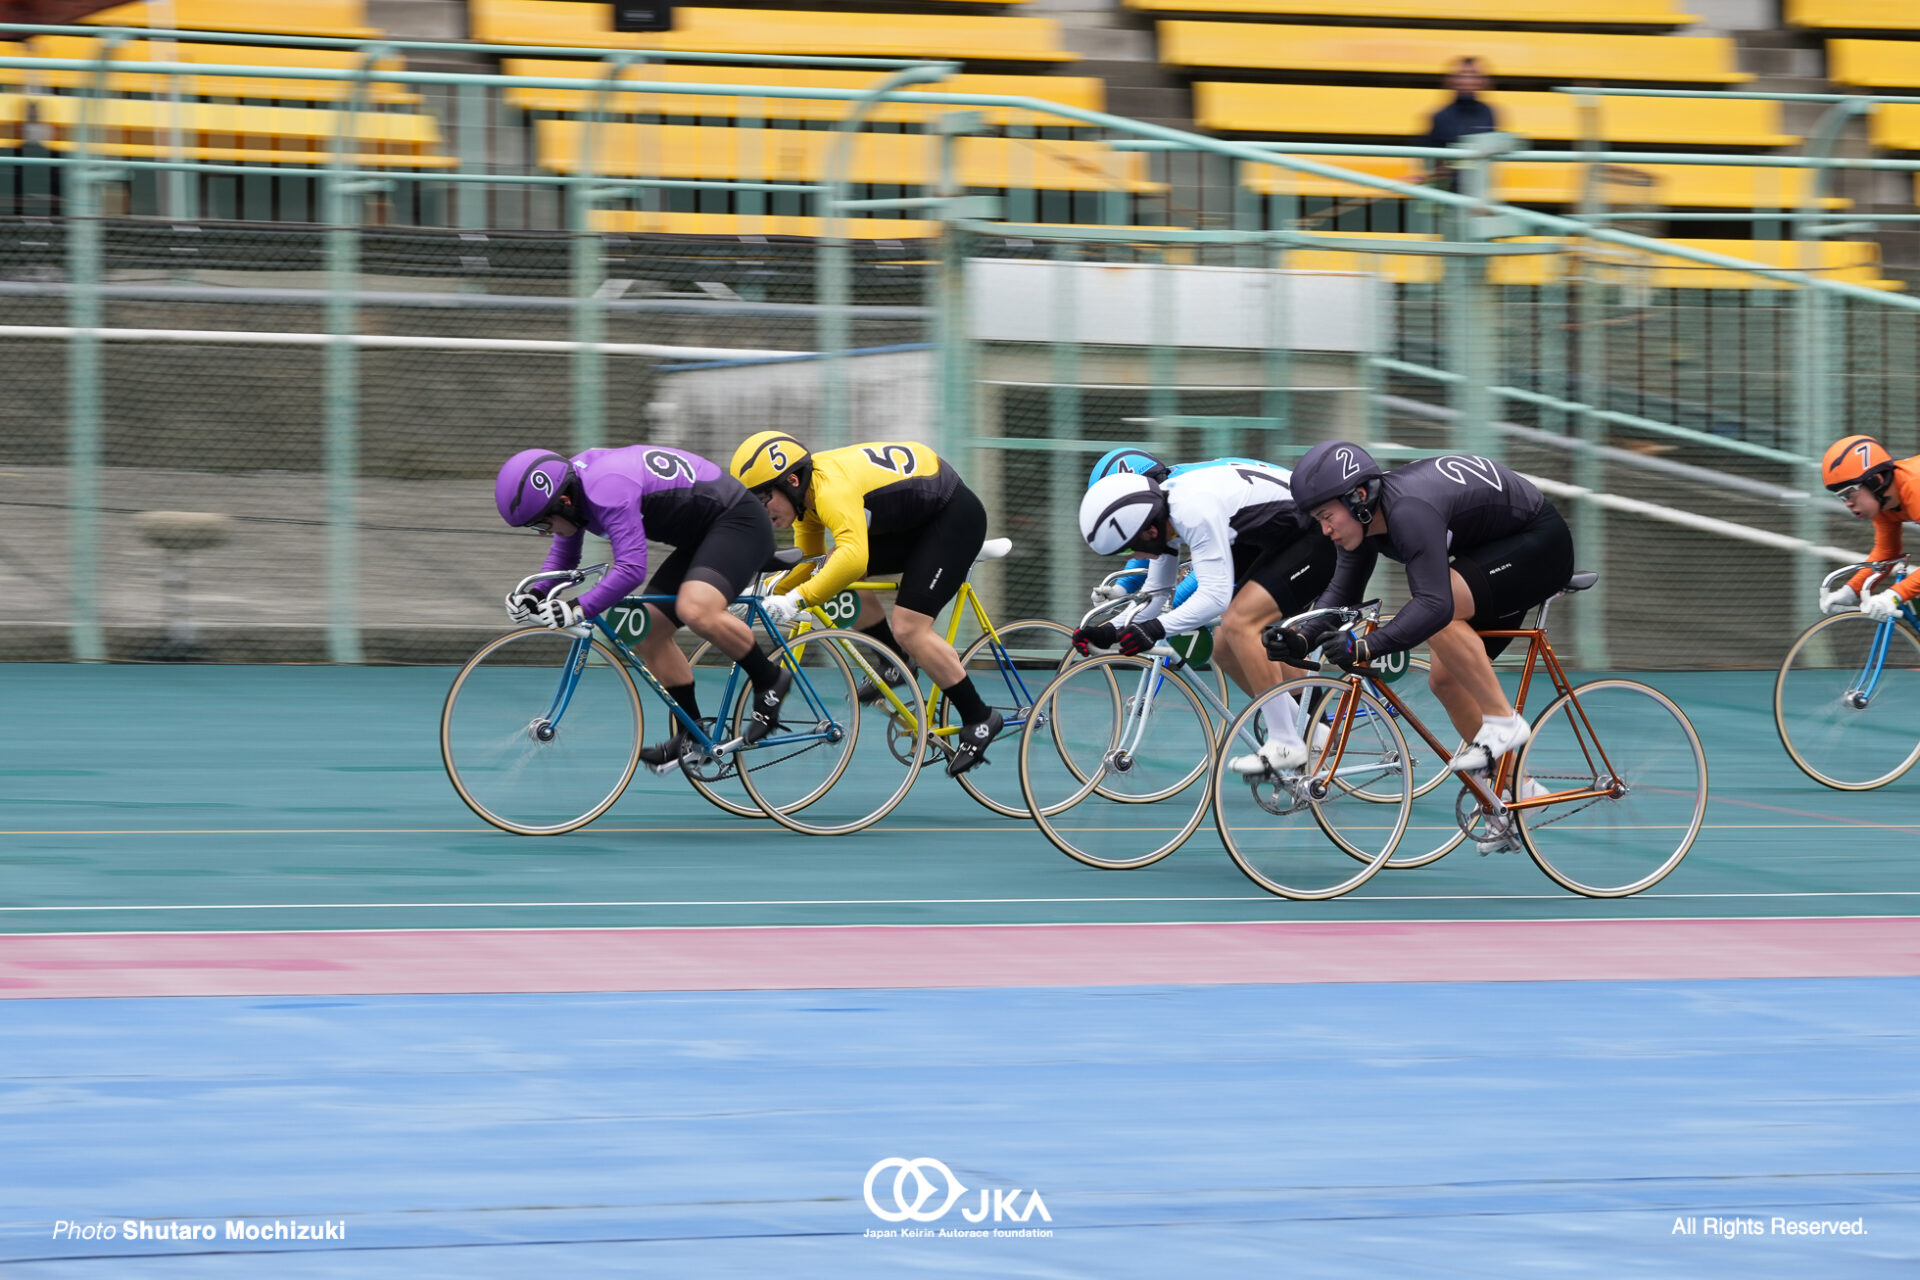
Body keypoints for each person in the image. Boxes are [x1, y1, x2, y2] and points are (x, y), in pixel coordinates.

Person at [1269, 441, 1574, 778]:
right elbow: (1343, 592)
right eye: (1318, 520)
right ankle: (1517, 790)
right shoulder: (1364, 522)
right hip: (1492, 552)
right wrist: (1300, 640)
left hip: (1540, 543)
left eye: (1326, 517)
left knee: (1437, 613)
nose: (1325, 530)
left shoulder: (1408, 511)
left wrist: (1366, 646)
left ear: (1358, 497)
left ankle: (1503, 719)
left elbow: (1435, 605)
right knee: (1445, 681)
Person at [493, 445, 791, 770]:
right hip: (706, 535)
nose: (544, 534)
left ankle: (770, 680)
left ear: (563, 503)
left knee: (696, 609)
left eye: (541, 525)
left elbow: (631, 568)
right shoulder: (573, 489)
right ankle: (691, 732)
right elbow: (565, 558)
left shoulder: (605, 487)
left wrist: (578, 609)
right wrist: (535, 594)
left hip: (739, 522)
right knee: (649, 631)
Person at [727, 431, 1003, 777]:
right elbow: (811, 561)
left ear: (792, 481)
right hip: (915, 521)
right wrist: (769, 595)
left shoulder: (829, 490)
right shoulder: (806, 501)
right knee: (830, 569)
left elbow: (855, 560)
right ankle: (894, 662)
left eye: (763, 498)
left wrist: (794, 600)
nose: (761, 510)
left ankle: (979, 717)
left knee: (909, 627)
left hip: (951, 516)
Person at [1073, 460, 1336, 776]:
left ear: (1149, 531)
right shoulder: (1163, 510)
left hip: (1315, 534)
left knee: (1240, 625)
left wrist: (1153, 629)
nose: (1133, 558)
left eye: (1129, 548)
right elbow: (1158, 595)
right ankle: (1310, 731)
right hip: (1275, 537)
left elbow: (1213, 597)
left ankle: (1286, 742)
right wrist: (1107, 632)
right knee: (1223, 643)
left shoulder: (1192, 510)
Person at [1084, 446, 1270, 607]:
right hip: (1254, 528)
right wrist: (1122, 589)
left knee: (1214, 615)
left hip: (1275, 526)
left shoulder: (1183, 497)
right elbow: (1147, 545)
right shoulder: (1167, 488)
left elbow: (1214, 569)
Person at [1818, 434, 1920, 620]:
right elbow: (1886, 552)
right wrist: (1849, 592)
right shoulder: (1884, 504)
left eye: (1850, 493)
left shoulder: (1915, 488)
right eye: (1841, 497)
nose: (1847, 503)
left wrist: (1894, 596)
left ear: (1876, 481)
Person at [1422, 56, 1498, 191]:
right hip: (1449, 191)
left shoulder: (1490, 113)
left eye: (1473, 75)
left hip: (1479, 188)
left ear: (1482, 81)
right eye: (1462, 75)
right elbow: (1432, 161)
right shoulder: (1440, 116)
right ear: (1452, 81)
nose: (1467, 81)